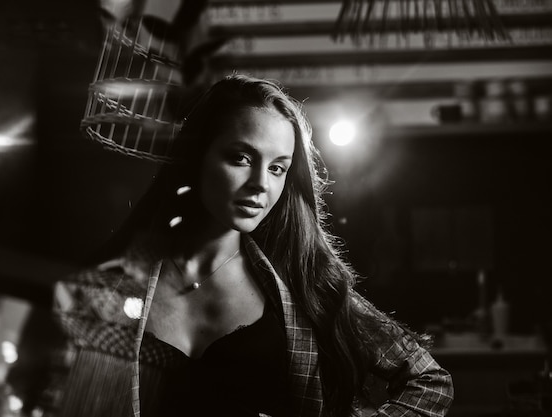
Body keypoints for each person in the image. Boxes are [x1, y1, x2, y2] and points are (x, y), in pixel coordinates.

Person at [52, 74, 453, 417]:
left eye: (278, 167)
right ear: (197, 157)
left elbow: (429, 381)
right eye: (241, 157)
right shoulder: (113, 286)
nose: (262, 183)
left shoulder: (302, 282)